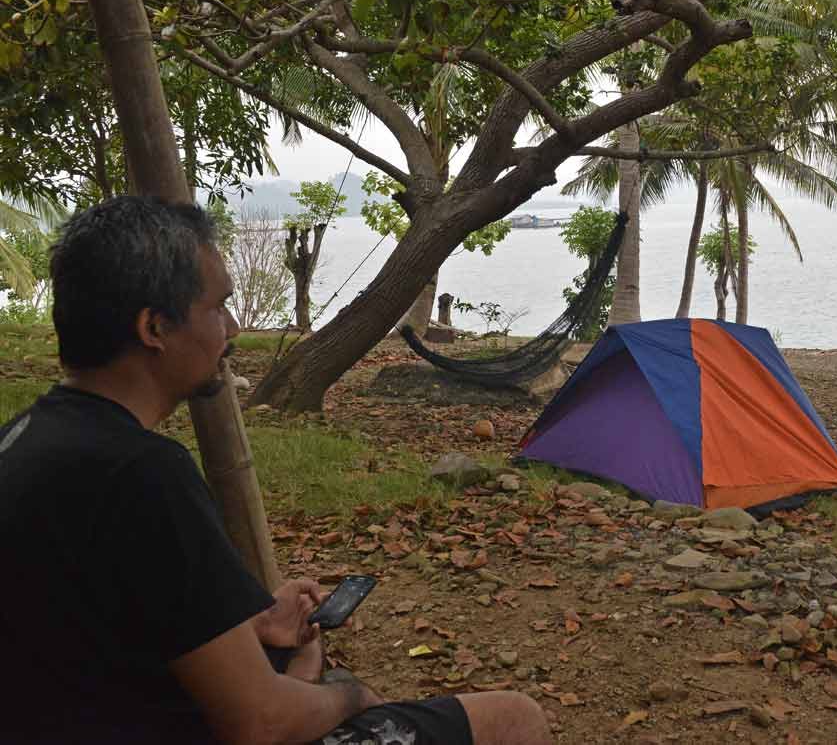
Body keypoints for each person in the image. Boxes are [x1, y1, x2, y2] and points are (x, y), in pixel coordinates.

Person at [0, 196, 551, 745]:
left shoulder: (24, 438)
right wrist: (349, 695)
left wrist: (249, 633)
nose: (234, 329)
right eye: (218, 308)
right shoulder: (140, 473)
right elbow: (260, 724)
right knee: (514, 718)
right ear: (154, 328)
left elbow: (90, 631)